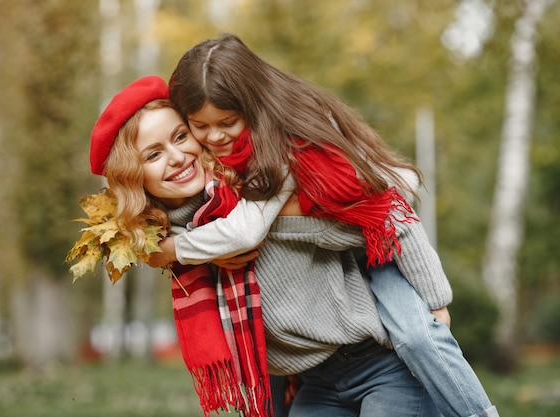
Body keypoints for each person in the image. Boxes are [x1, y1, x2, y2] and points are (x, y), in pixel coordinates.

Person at [149, 33, 499, 417]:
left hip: (377, 248)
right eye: (199, 126)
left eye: (227, 122)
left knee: (420, 336)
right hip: (318, 373)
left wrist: (437, 300)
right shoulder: (222, 172)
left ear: (252, 106)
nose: (214, 136)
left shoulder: (285, 146)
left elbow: (392, 214)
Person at [89, 75, 442, 417]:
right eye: (153, 155)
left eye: (180, 136)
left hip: (378, 353)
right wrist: (169, 249)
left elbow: (384, 210)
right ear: (135, 178)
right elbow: (144, 239)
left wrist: (434, 303)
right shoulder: (171, 226)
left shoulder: (256, 184)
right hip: (312, 378)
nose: (177, 156)